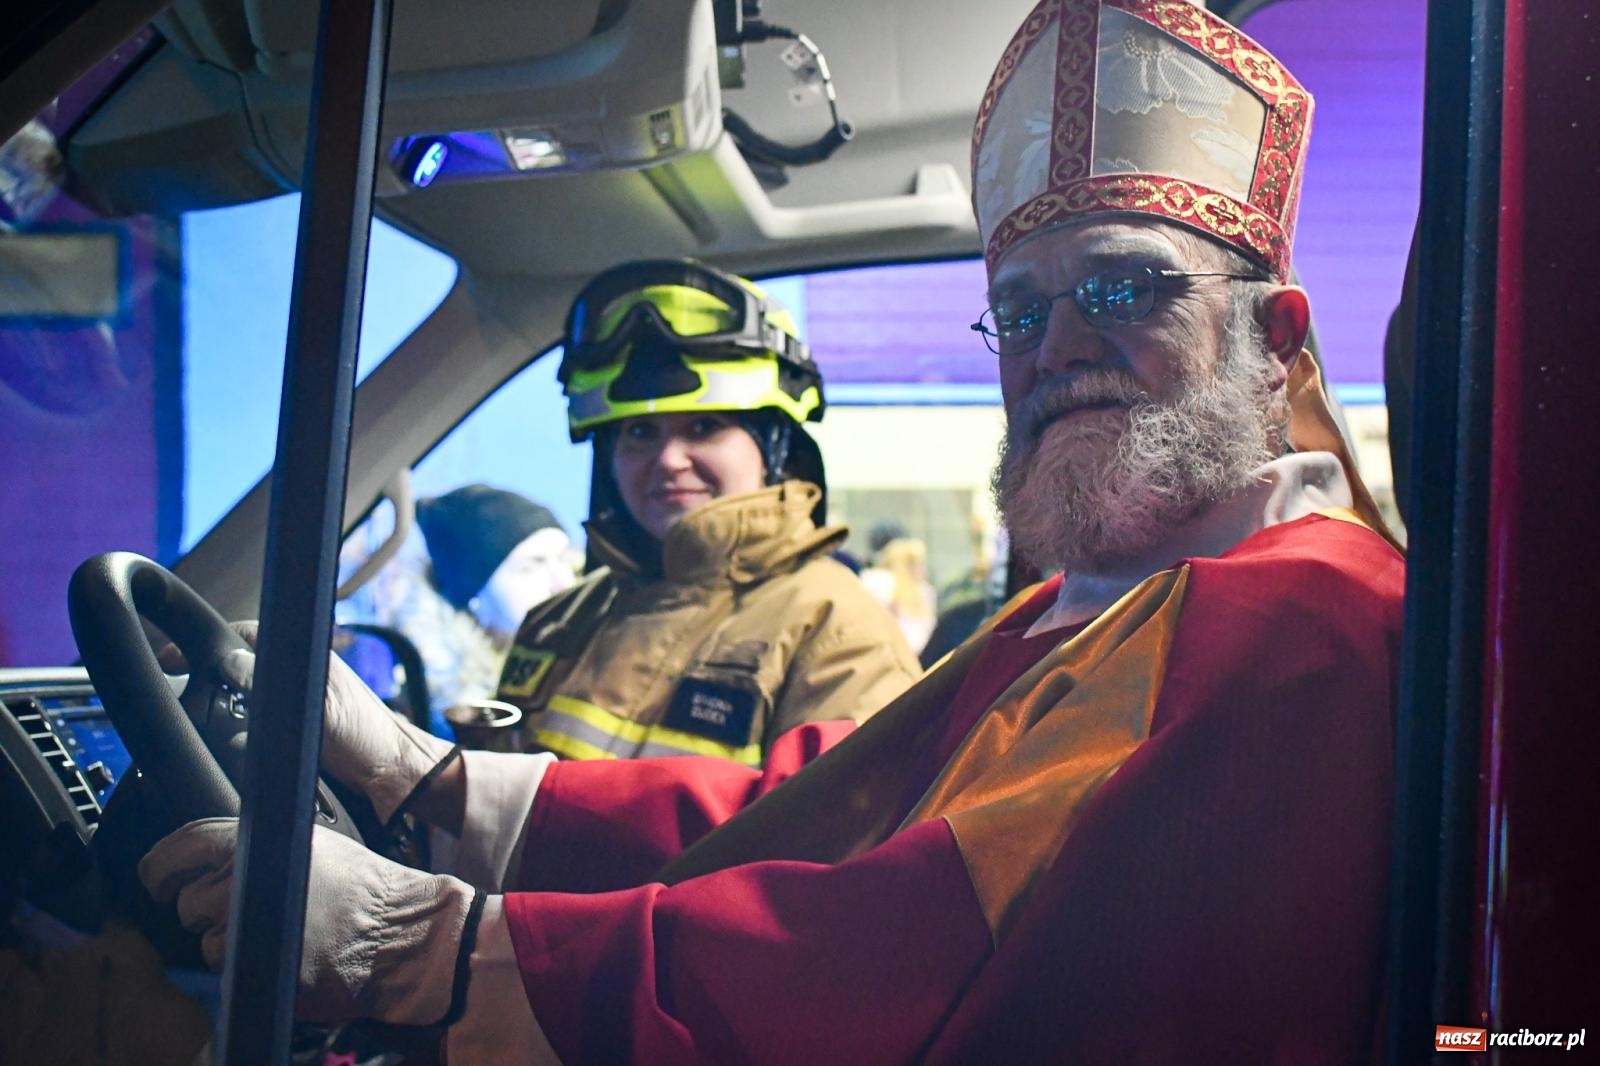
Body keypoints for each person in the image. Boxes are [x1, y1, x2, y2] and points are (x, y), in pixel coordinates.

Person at [140, 3, 1407, 1060]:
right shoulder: (1112, 599)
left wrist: (431, 950)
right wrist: (437, 781)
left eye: (1123, 287)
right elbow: (820, 808)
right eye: (1019, 313)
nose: (1061, 347)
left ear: (1275, 333)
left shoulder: (1297, 621)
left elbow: (916, 935)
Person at [489, 259, 921, 763]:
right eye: (639, 432)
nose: (668, 460)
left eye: (704, 428)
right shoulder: (556, 622)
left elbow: (827, 837)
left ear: (773, 450)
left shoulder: (838, 635)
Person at [360, 485, 576, 724]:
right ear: (473, 596)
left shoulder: (574, 653)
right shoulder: (443, 712)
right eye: (530, 567)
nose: (563, 582)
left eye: (563, 558)